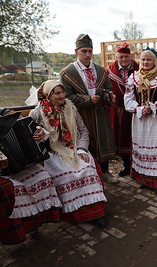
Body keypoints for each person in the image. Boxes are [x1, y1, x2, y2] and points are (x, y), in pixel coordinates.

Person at [29, 80, 108, 228]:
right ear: (48, 95)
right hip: (54, 152)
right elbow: (31, 136)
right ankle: (74, 213)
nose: (62, 96)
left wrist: (82, 150)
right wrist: (41, 134)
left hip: (75, 148)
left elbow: (83, 131)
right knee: (68, 173)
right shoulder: (37, 113)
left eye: (62, 92)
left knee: (87, 169)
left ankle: (97, 212)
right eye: (57, 93)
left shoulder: (71, 107)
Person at [59, 34, 118, 184]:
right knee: (86, 142)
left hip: (100, 114)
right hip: (81, 115)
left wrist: (110, 96)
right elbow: (66, 97)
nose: (88, 55)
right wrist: (87, 99)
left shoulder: (100, 70)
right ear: (76, 51)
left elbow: (109, 88)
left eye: (90, 51)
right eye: (84, 51)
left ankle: (105, 172)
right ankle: (89, 175)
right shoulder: (67, 73)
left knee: (104, 142)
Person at [124, 48, 157, 194]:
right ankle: (142, 178)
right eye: (143, 59)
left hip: (155, 121)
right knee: (141, 147)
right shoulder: (133, 77)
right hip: (140, 121)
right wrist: (139, 108)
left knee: (155, 147)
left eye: (149, 59)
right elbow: (128, 100)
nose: (145, 62)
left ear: (155, 62)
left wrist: (153, 107)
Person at [106, 42, 139, 177]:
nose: (124, 60)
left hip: (135, 110)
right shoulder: (109, 71)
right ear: (116, 57)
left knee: (136, 138)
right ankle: (126, 165)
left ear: (130, 56)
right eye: (121, 57)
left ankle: (137, 166)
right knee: (120, 138)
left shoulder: (139, 68)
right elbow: (104, 87)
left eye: (126, 57)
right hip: (117, 110)